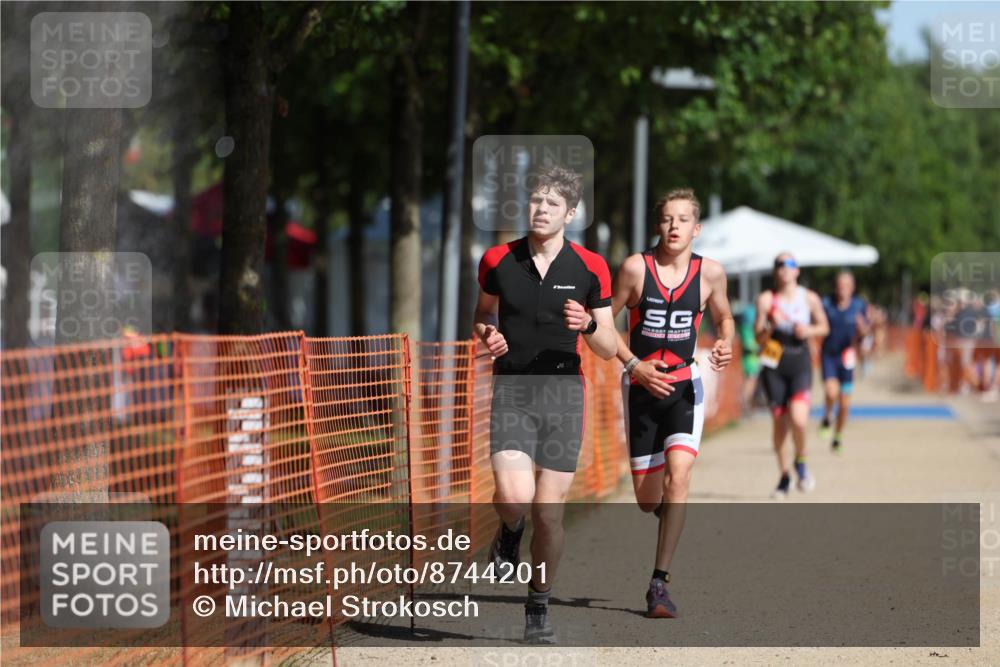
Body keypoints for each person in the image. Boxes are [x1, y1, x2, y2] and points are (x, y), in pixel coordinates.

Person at [474, 165, 617, 643]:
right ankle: (508, 531)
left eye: (552, 203)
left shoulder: (591, 267)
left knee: (549, 513)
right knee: (515, 498)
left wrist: (589, 326)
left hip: (563, 394)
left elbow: (609, 346)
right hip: (512, 390)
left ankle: (538, 602)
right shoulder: (497, 259)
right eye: (536, 201)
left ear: (571, 213)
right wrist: (488, 333)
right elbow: (482, 314)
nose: (541, 209)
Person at [610, 188, 734, 618]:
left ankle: (658, 584)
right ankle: (667, 507)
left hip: (685, 386)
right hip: (643, 390)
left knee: (679, 476)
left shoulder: (711, 274)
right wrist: (633, 365)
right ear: (657, 225)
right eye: (667, 219)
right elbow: (603, 326)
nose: (674, 226)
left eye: (683, 220)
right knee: (649, 500)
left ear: (696, 228)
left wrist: (726, 342)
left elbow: (724, 317)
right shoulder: (634, 269)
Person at [754, 253, 829, 499]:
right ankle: (784, 476)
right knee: (779, 424)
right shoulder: (767, 300)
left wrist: (808, 330)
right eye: (779, 265)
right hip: (773, 362)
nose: (784, 269)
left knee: (798, 420)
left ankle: (801, 461)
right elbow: (758, 337)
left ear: (797, 270)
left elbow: (824, 326)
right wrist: (771, 326)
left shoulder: (809, 298)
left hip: (799, 362)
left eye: (789, 264)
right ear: (775, 272)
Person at [819, 271, 870, 453]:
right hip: (829, 355)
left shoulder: (858, 305)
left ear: (852, 287)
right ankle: (826, 417)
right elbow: (817, 323)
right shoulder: (826, 303)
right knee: (831, 392)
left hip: (847, 357)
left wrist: (862, 328)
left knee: (845, 403)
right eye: (840, 285)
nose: (843, 289)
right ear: (835, 286)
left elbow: (865, 333)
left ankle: (838, 436)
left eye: (847, 285)